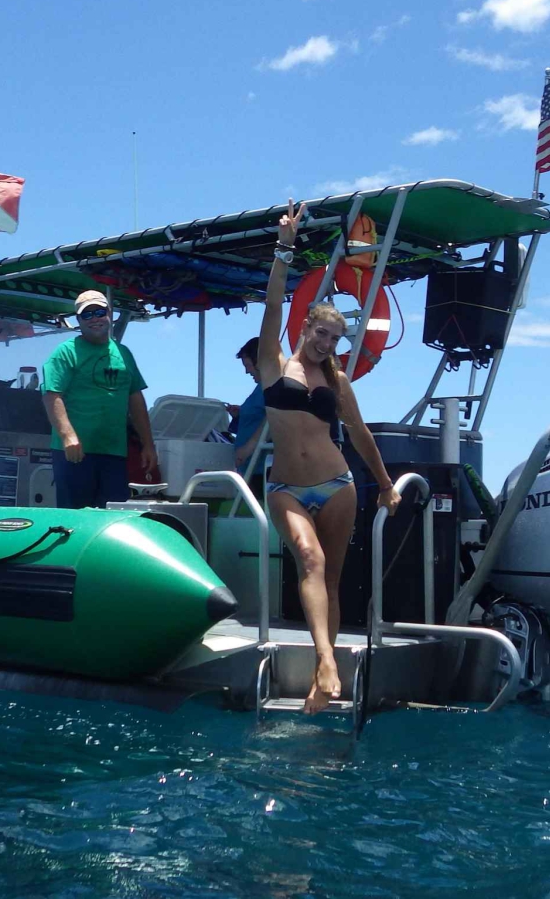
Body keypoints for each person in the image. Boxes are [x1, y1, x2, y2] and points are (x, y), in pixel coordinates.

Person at [258, 200, 400, 714]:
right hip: (287, 489)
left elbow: (359, 434)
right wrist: (284, 248)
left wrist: (384, 485)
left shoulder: (336, 381)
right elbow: (272, 305)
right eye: (321, 332)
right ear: (304, 330)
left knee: (332, 581)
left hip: (338, 483)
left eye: (336, 338)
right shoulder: (273, 366)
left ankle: (323, 680)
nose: (327, 342)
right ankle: (325, 660)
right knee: (310, 560)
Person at [41, 290, 158, 509]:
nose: (95, 319)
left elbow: (135, 399)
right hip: (75, 452)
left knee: (111, 516)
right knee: (74, 520)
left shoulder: (124, 353)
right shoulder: (65, 352)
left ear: (109, 314)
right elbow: (51, 395)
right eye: (87, 315)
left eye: (99, 312)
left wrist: (148, 444)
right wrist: (68, 436)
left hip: (114, 453)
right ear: (79, 320)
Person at [233, 336, 266, 470]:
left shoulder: (270, 387)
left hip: (259, 469)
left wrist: (247, 448)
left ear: (259, 362)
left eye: (248, 365)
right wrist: (239, 415)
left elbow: (273, 418)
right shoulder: (260, 389)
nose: (247, 371)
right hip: (249, 468)